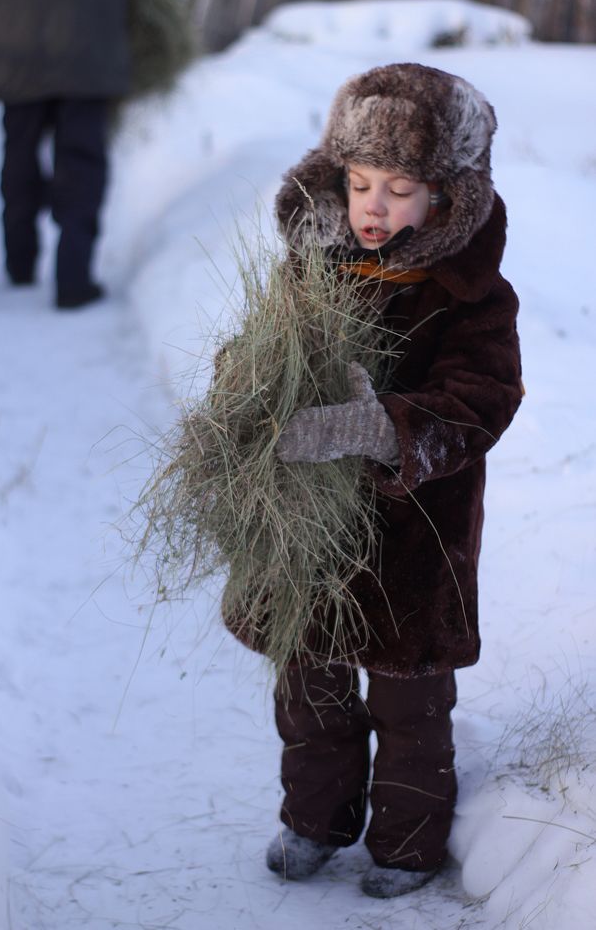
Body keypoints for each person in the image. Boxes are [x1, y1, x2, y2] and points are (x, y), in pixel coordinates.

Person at [225, 63, 523, 897]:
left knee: (410, 703)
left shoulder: (472, 298)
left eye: (400, 188)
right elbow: (251, 357)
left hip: (413, 534)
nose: (375, 207)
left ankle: (408, 841)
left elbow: (482, 400)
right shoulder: (312, 270)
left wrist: (384, 428)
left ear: (446, 197)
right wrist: (242, 399)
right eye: (359, 184)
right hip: (310, 531)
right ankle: (315, 821)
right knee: (309, 683)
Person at [0, 0, 184, 308]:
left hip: (15, 53)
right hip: (87, 54)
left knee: (19, 155)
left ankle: (19, 266)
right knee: (81, 164)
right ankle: (73, 281)